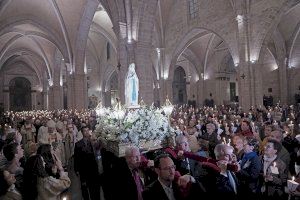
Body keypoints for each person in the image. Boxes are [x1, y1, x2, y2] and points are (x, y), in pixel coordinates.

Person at [74, 126, 100, 200]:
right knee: (84, 187)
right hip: (84, 169)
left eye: (87, 130)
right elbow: (77, 158)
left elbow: (98, 152)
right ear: (82, 133)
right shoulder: (78, 144)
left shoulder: (93, 141)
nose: (86, 132)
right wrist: (76, 169)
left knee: (94, 187)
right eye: (84, 131)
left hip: (93, 168)